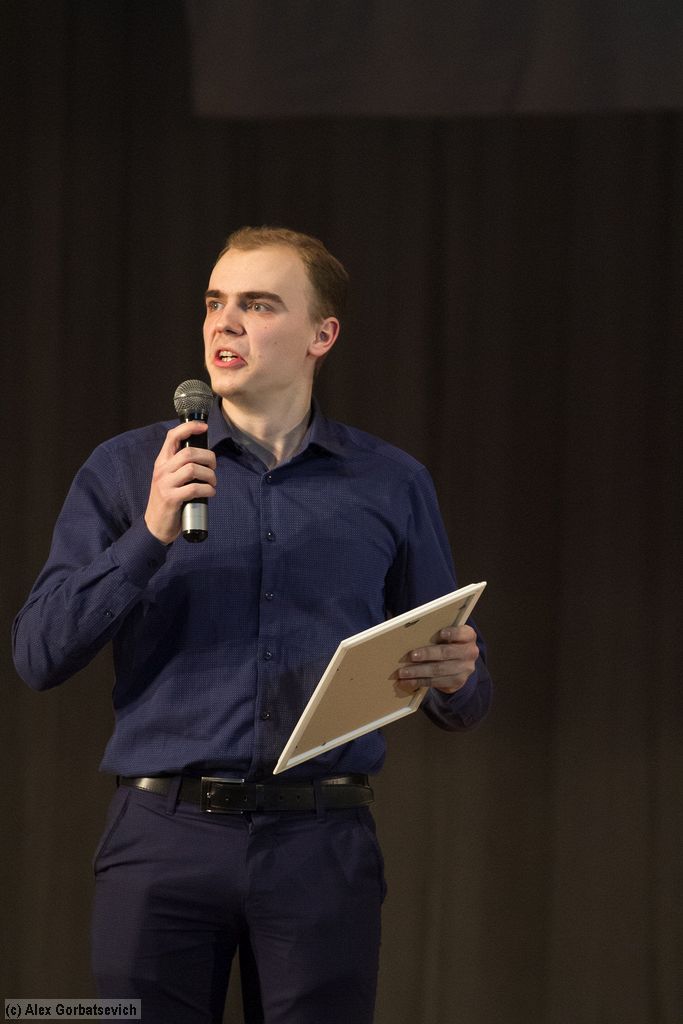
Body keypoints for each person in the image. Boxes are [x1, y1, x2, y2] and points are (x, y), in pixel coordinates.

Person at [12, 227, 492, 1024]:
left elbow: (461, 690)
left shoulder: (389, 482)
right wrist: (149, 534)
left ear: (320, 335)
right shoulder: (129, 471)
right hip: (163, 837)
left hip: (319, 843)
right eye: (214, 303)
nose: (224, 324)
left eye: (259, 305)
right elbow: (38, 654)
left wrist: (456, 677)